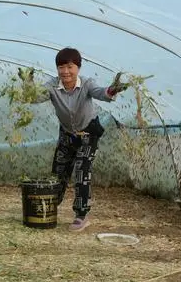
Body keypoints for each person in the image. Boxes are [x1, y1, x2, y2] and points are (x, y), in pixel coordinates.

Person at [29, 47, 130, 231]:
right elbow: (35, 97)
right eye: (61, 67)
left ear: (78, 68)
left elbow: (102, 93)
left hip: (88, 134)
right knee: (58, 172)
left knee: (82, 169)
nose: (65, 71)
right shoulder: (52, 86)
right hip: (67, 134)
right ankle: (51, 205)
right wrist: (28, 86)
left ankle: (81, 215)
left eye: (70, 66)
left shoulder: (86, 84)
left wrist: (113, 90)